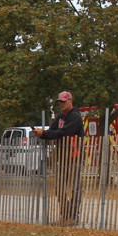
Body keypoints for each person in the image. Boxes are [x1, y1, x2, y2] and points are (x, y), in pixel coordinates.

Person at [34, 91, 85, 225]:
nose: (62, 104)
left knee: (75, 188)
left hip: (74, 156)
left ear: (70, 101)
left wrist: (45, 134)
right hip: (62, 156)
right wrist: (42, 133)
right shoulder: (61, 116)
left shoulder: (75, 117)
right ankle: (66, 215)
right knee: (59, 187)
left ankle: (73, 217)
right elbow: (53, 130)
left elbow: (63, 132)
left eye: (64, 101)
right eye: (60, 102)